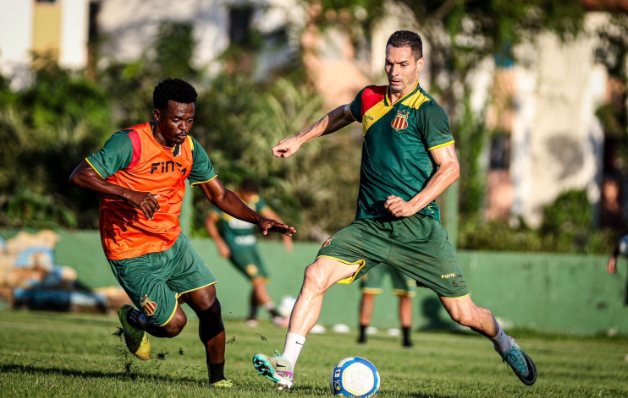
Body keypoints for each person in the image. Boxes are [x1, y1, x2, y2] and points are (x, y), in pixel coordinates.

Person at [252, 30, 537, 390]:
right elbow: (342, 114)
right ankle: (286, 368)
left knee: (463, 313)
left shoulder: (429, 112)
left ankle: (504, 342)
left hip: (419, 231)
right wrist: (300, 139)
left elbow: (450, 168)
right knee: (315, 275)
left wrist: (412, 204)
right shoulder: (370, 97)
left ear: (419, 64)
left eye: (403, 64)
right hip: (370, 227)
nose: (394, 70)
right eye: (389, 62)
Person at [69, 78, 295, 388]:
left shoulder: (189, 148)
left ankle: (218, 382)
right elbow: (80, 176)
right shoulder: (130, 142)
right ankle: (134, 320)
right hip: (131, 250)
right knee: (173, 325)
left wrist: (259, 219)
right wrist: (128, 194)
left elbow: (219, 195)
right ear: (158, 114)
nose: (184, 127)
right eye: (177, 119)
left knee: (209, 303)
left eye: (190, 119)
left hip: (172, 242)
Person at [205, 178, 293, 326]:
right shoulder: (229, 199)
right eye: (248, 194)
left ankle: (252, 317)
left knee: (260, 281)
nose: (251, 198)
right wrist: (220, 242)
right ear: (241, 191)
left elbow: (270, 214)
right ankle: (275, 315)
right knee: (258, 280)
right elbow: (209, 221)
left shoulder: (255, 200)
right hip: (236, 248)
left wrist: (285, 232)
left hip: (251, 247)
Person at [357, 264, 415, 347]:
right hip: (378, 253)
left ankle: (406, 338)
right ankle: (362, 335)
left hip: (401, 254)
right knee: (368, 292)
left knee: (405, 295)